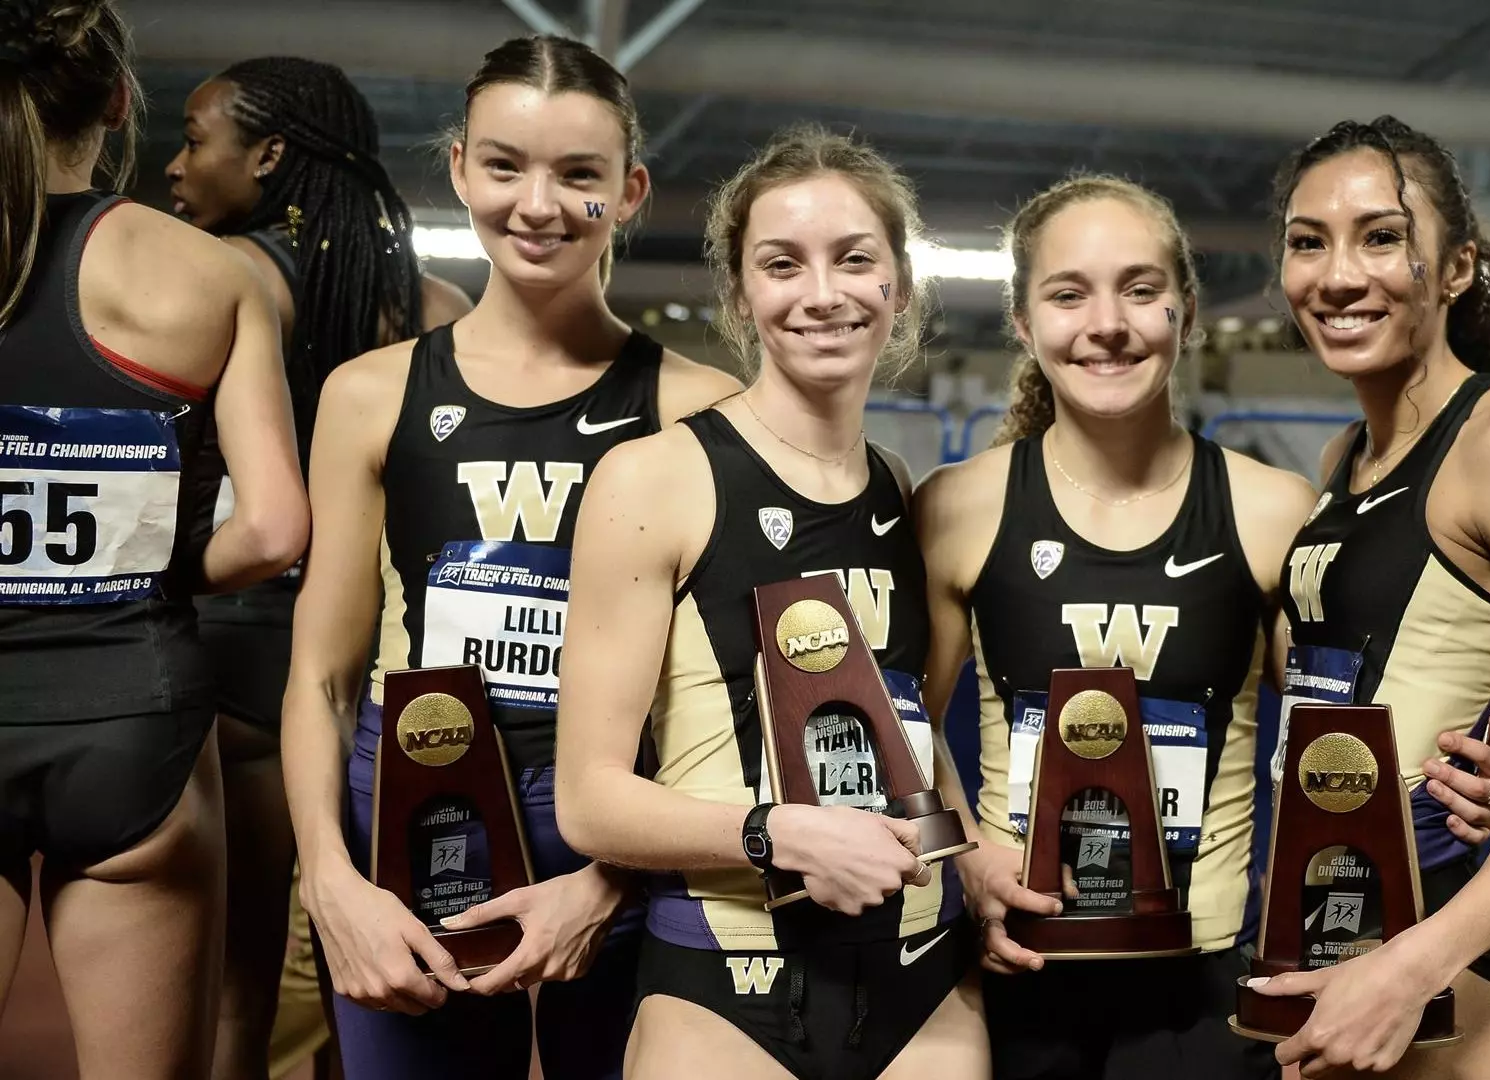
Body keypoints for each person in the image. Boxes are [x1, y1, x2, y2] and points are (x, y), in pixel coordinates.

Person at [914, 175, 1490, 1080]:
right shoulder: (958, 507)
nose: (1107, 325)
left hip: (1204, 989)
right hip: (1019, 964)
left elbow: (1335, 726)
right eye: (1068, 295)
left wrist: (1455, 776)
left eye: (1140, 290)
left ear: (1186, 312)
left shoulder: (1272, 511)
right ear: (1023, 321)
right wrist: (963, 860)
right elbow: (904, 730)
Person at [279, 34, 739, 1080]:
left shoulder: (698, 408)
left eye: (578, 175)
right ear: (458, 169)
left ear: (629, 192)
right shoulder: (371, 394)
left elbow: (721, 708)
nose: (538, 204)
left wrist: (612, 881)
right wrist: (330, 882)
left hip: (622, 824)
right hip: (412, 805)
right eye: (504, 166)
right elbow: (321, 675)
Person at [553, 125, 988, 1080]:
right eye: (783, 264)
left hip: (925, 973)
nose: (822, 293)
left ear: (899, 286)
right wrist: (776, 833)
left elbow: (910, 727)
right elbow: (588, 799)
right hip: (729, 976)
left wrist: (977, 857)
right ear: (741, 293)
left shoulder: (896, 485)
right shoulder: (655, 478)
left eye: (855, 259)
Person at [1247, 116, 1490, 1078]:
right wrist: (1456, 772)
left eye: (1381, 237)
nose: (1337, 276)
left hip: (1442, 968)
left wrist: (1408, 970)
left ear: (1456, 268)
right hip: (1327, 931)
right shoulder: (1344, 458)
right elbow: (1345, 682)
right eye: (1308, 242)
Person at [0, 2, 309, 1077]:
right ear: (118, 103)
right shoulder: (205, 273)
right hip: (136, 719)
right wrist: (137, 565)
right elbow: (273, 528)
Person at [164, 54, 473, 1080]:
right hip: (389, 669)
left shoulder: (220, 278)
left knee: (240, 978)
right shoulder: (437, 308)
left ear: (269, 155)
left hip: (242, 654)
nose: (175, 165)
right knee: (385, 968)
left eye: (195, 140)